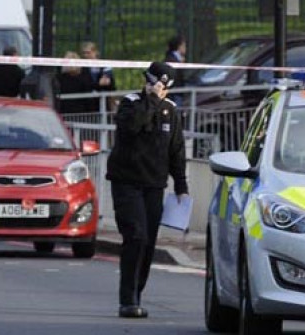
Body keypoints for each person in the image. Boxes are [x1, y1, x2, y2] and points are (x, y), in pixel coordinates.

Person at [106, 61, 188, 318]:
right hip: (126, 182)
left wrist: (181, 185)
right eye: (153, 83)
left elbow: (176, 149)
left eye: (161, 86)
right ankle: (127, 299)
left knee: (149, 243)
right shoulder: (130, 103)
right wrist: (151, 101)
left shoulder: (171, 111)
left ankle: (137, 292)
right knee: (136, 236)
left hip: (154, 185)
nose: (156, 88)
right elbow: (131, 128)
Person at [80, 42, 116, 112]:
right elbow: (85, 84)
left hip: (105, 103)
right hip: (88, 105)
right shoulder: (82, 68)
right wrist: (98, 84)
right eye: (84, 53)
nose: (86, 55)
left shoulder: (105, 65)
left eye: (88, 52)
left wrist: (105, 82)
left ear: (95, 52)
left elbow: (109, 84)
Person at [163, 35, 188, 105]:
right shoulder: (172, 60)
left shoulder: (176, 59)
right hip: (174, 94)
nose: (185, 48)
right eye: (184, 46)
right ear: (179, 47)